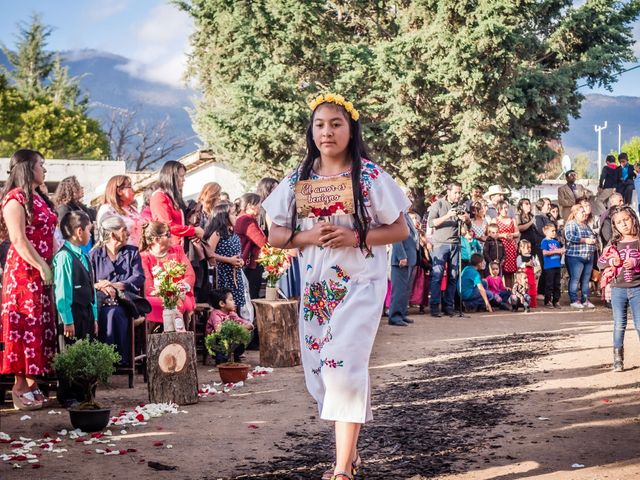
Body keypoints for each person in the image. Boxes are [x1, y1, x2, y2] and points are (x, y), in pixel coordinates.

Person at [262, 92, 410, 480]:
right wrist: (308, 237)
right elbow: (275, 233)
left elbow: (399, 228)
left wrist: (356, 236)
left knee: (344, 365)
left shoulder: (370, 176)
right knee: (323, 374)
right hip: (317, 290)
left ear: (351, 129)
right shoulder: (300, 177)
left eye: (336, 124)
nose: (327, 132)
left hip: (361, 284)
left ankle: (342, 470)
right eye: (320, 124)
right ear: (311, 131)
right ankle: (352, 454)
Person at [0, 149, 57, 410]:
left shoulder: (40, 198)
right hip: (24, 274)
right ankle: (19, 386)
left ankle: (33, 382)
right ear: (27, 168)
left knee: (38, 327)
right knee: (24, 326)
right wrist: (42, 265)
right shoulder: (15, 199)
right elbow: (18, 239)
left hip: (42, 272)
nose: (44, 170)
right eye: (41, 165)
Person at [53, 210, 98, 408]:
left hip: (87, 312)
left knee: (86, 351)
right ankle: (68, 394)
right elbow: (63, 291)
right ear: (79, 231)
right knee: (70, 352)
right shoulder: (64, 257)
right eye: (89, 230)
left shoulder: (85, 256)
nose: (91, 234)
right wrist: (67, 319)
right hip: (72, 314)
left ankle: (84, 393)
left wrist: (95, 316)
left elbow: (91, 287)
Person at [90, 215, 145, 367]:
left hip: (125, 301)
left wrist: (116, 285)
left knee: (114, 313)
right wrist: (100, 286)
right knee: (103, 313)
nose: (127, 233)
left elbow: (138, 277)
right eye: (124, 230)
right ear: (113, 234)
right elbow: (89, 281)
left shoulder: (132, 252)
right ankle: (102, 360)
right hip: (101, 302)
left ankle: (118, 360)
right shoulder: (95, 255)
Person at [598, 206, 640, 372]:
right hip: (618, 289)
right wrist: (611, 262)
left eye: (626, 220)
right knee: (619, 324)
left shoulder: (638, 240)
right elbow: (600, 262)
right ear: (614, 225)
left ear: (633, 219)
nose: (624, 224)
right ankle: (618, 359)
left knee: (639, 324)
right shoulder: (613, 243)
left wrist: (636, 263)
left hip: (637, 288)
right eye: (619, 222)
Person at [139, 221, 196, 328]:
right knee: (152, 304)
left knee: (177, 302)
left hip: (181, 294)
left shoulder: (178, 250)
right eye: (168, 235)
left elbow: (190, 275)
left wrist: (180, 289)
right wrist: (165, 295)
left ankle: (179, 339)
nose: (172, 237)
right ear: (157, 239)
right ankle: (156, 337)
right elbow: (148, 286)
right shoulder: (143, 257)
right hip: (156, 296)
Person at [426, 182, 469, 318]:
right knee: (437, 276)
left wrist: (466, 220)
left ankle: (448, 306)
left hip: (455, 244)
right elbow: (431, 223)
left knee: (453, 276)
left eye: (459, 193)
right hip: (440, 244)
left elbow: (465, 230)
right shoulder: (438, 204)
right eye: (455, 192)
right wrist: (447, 215)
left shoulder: (460, 206)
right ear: (448, 192)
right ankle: (434, 307)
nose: (458, 195)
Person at [150, 160, 204, 246]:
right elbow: (166, 225)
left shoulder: (171, 197)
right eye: (181, 176)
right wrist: (193, 231)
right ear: (171, 177)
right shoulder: (159, 196)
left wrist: (193, 232)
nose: (184, 180)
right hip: (169, 249)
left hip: (180, 247)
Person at [203, 202, 246, 311]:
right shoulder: (217, 233)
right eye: (232, 214)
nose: (235, 216)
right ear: (224, 217)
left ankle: (237, 326)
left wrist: (241, 261)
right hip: (223, 274)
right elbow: (210, 253)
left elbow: (237, 254)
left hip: (236, 274)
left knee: (236, 306)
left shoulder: (232, 233)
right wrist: (229, 260)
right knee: (226, 306)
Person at [205, 288, 253, 363]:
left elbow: (241, 321)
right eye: (231, 300)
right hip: (216, 343)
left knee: (248, 332)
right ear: (222, 304)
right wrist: (238, 327)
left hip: (229, 340)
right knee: (220, 338)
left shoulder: (231, 313)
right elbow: (219, 330)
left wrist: (248, 325)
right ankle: (221, 358)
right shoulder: (216, 314)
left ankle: (235, 354)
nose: (234, 302)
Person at [234, 193, 267, 300]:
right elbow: (261, 242)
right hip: (250, 264)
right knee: (252, 296)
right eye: (258, 204)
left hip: (243, 262)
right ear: (250, 205)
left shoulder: (241, 217)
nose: (260, 206)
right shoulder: (246, 220)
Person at [388, 213, 419, 326]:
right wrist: (401, 256)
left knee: (405, 290)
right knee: (399, 290)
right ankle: (394, 316)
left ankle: (401, 313)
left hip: (410, 257)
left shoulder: (405, 215)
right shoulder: (396, 215)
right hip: (401, 259)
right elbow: (396, 238)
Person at [564, 204, 597, 309]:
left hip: (588, 256)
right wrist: (585, 240)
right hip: (575, 256)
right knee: (575, 279)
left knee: (586, 280)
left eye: (584, 211)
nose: (584, 213)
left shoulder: (586, 225)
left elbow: (592, 236)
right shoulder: (571, 224)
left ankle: (585, 299)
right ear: (575, 213)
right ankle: (574, 300)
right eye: (582, 212)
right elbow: (569, 236)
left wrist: (593, 239)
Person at [54, 176, 96, 255]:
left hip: (86, 242)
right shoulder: (63, 208)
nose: (82, 188)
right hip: (75, 245)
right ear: (72, 189)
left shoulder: (79, 206)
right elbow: (66, 230)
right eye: (79, 186)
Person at [97, 175, 143, 247]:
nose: (133, 190)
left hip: (138, 253)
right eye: (130, 186)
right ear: (119, 191)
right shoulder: (107, 209)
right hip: (122, 254)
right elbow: (106, 237)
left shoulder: (132, 209)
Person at [496, 201, 520, 286]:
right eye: (502, 208)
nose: (504, 210)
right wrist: (503, 235)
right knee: (498, 271)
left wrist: (511, 235)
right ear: (498, 209)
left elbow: (517, 233)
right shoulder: (495, 220)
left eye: (506, 207)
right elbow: (491, 233)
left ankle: (511, 293)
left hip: (510, 247)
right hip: (499, 247)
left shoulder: (512, 220)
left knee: (509, 273)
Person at [541, 223, 565, 308]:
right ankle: (547, 301)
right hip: (549, 267)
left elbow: (559, 253)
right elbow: (545, 252)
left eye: (555, 230)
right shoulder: (545, 241)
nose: (554, 232)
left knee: (557, 284)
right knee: (549, 284)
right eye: (552, 231)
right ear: (546, 232)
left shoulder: (556, 242)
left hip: (557, 266)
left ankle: (556, 301)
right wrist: (557, 251)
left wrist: (561, 251)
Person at [516, 239, 539, 308]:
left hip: (531, 276)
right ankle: (525, 303)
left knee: (533, 290)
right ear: (521, 248)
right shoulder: (519, 257)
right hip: (524, 277)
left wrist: (537, 272)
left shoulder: (532, 257)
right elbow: (518, 265)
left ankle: (533, 304)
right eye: (527, 247)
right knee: (525, 290)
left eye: (530, 247)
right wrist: (526, 264)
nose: (529, 249)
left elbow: (536, 265)